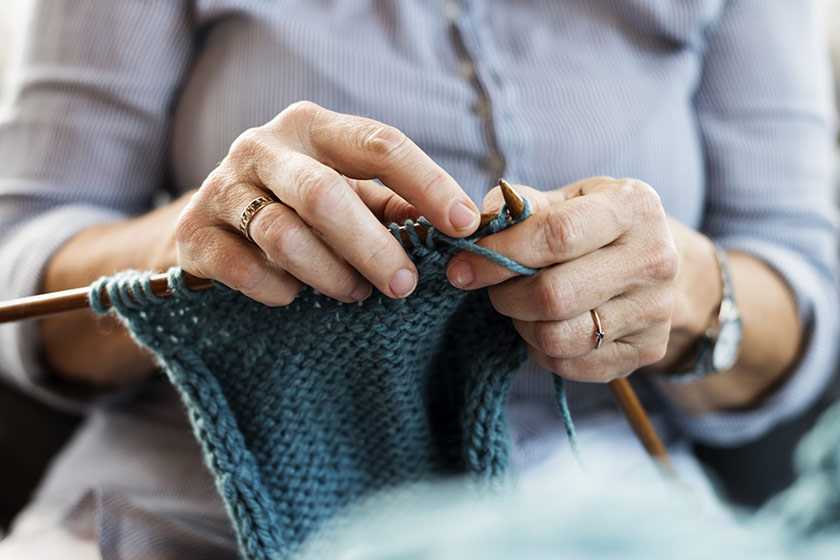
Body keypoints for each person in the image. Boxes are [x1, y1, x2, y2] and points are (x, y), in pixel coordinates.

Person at [0, 0, 837, 557]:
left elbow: (804, 301)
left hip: (602, 520)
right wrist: (186, 251)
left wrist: (683, 290)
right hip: (182, 518)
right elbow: (23, 267)